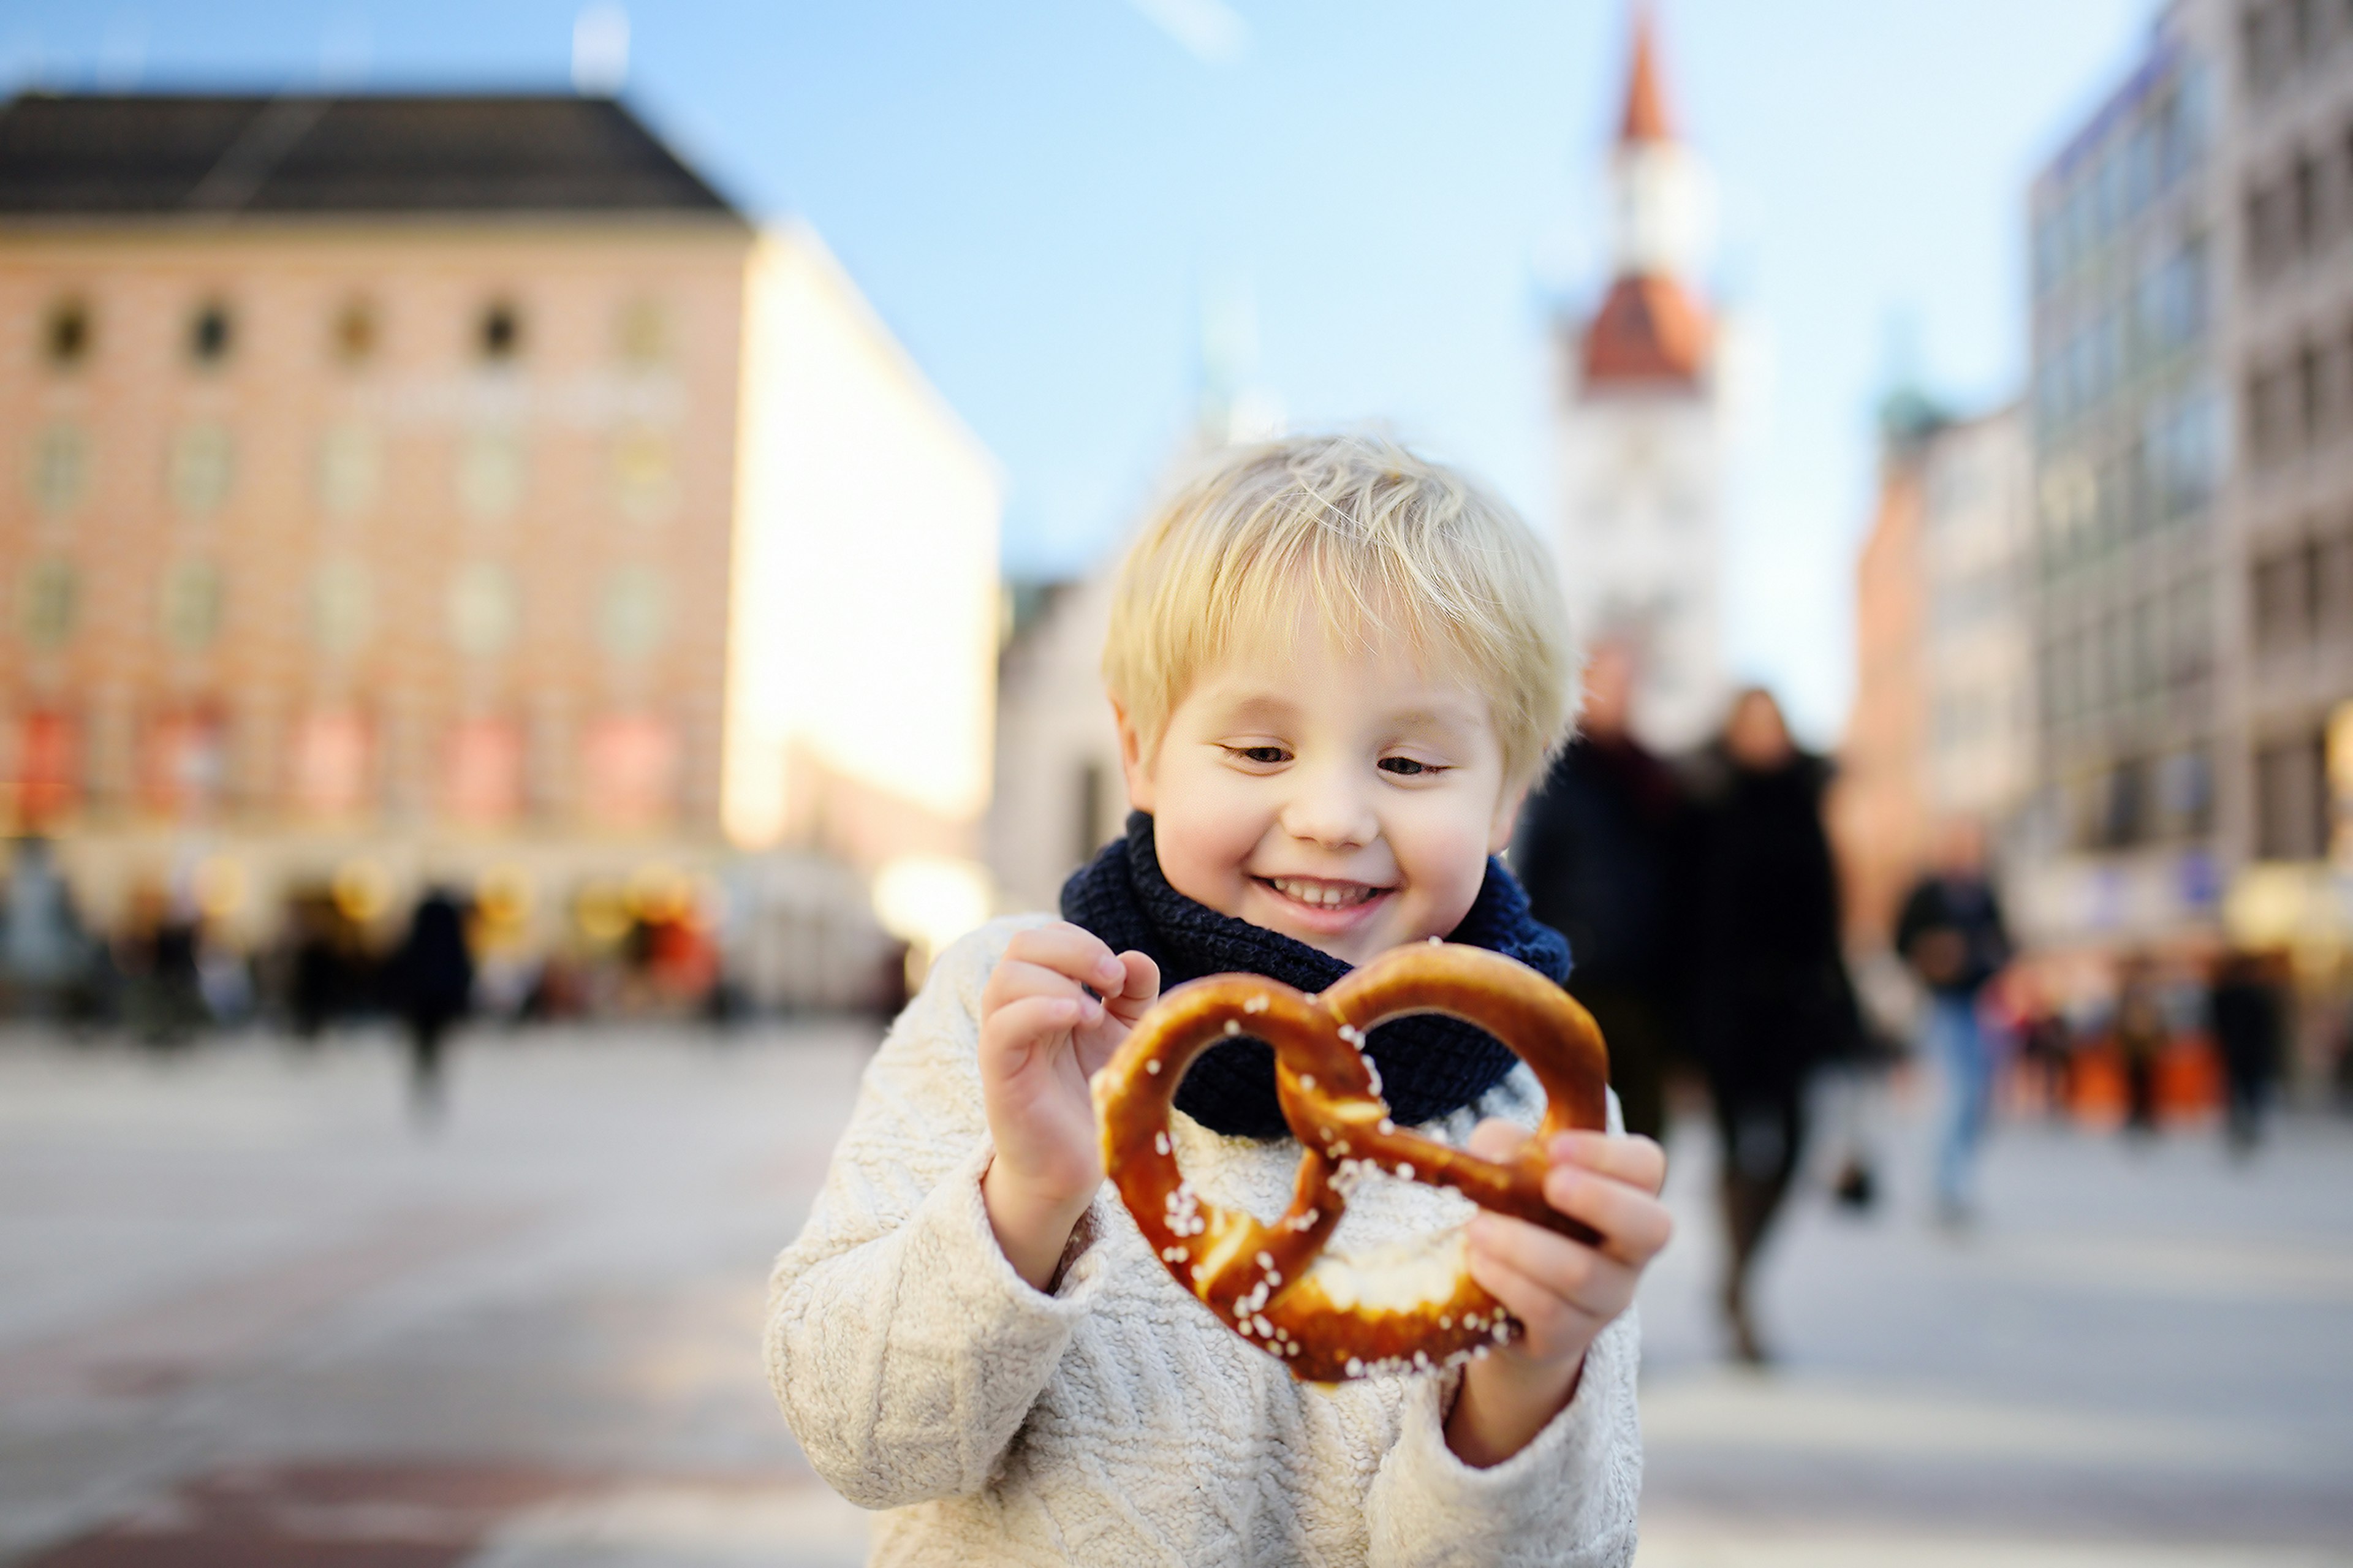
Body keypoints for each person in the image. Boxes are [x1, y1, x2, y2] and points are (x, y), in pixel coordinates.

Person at [767, 435, 1670, 1564]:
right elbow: (862, 1441)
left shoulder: (1539, 1124)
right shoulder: (1011, 1010)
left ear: (1509, 795)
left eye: (1409, 764)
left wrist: (1530, 1374)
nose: (1333, 814)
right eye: (1260, 747)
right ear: (1141, 750)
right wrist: (1024, 1197)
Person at [1681, 687, 1857, 1363]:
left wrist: (1841, 1003)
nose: (1763, 737)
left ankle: (1738, 1275)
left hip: (1796, 1006)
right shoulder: (1708, 802)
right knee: (1736, 1149)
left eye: (1772, 725)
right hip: (1725, 1006)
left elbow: (1827, 911)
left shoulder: (1805, 798)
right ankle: (1741, 1295)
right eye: (1750, 725)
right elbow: (1690, 912)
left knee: (1791, 1149)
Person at [1511, 639, 1684, 1142]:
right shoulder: (1559, 773)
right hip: (1577, 977)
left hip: (1646, 985)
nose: (1619, 694)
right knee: (1578, 1124)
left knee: (1646, 1131)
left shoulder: (1654, 781)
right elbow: (1533, 875)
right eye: (1608, 682)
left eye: (1628, 682)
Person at [1893, 816, 2012, 1224]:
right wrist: (1932, 957)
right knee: (1955, 1095)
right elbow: (1902, 943)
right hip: (1940, 1005)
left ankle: (1959, 1179)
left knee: (1977, 1099)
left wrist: (1974, 956)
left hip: (1977, 1004)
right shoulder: (1927, 893)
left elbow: (2005, 945)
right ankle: (1947, 1186)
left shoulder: (1982, 893)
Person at [387, 890, 474, 1124]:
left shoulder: (421, 933)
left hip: (421, 1001)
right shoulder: (450, 935)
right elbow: (461, 970)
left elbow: (405, 967)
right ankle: (432, 1083)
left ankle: (425, 1082)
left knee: (423, 1045)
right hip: (439, 1000)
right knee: (435, 1044)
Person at [2209, 949, 2284, 1158]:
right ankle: (2243, 1126)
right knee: (2243, 1090)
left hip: (2240, 1051)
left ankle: (2243, 1126)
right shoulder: (2250, 995)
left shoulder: (2231, 994)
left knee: (2243, 1090)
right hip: (2243, 1052)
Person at [2115, 953, 2167, 1137]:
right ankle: (2136, 1114)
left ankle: (2146, 1115)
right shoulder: (2129, 994)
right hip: (2133, 1048)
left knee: (2147, 1083)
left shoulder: (2149, 993)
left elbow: (2157, 1022)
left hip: (2145, 1047)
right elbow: (2121, 1022)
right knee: (2133, 1083)